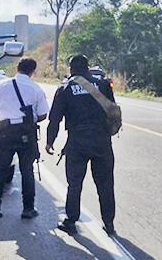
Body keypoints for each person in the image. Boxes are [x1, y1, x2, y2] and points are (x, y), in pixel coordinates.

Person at [45, 54, 116, 236]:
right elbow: (112, 110)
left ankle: (70, 222)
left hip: (77, 142)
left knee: (74, 184)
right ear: (88, 67)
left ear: (71, 70)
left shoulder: (66, 88)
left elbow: (55, 118)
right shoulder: (103, 85)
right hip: (102, 142)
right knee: (105, 184)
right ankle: (109, 223)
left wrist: (50, 142)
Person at [0, 57, 49, 218]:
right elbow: (42, 114)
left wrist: (6, 114)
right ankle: (28, 209)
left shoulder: (2, 85)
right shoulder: (36, 88)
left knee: (0, 171)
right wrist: (28, 120)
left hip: (5, 132)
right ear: (33, 71)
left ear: (17, 67)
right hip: (26, 134)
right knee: (27, 171)